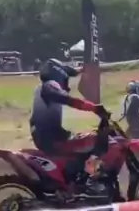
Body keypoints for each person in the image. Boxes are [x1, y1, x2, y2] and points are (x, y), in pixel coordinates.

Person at [30, 59, 108, 194]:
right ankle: (90, 181)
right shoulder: (50, 85)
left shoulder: (41, 89)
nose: (67, 85)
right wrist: (95, 108)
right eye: (66, 80)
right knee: (96, 139)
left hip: (48, 137)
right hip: (53, 139)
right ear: (58, 74)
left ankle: (78, 178)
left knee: (84, 140)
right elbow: (68, 100)